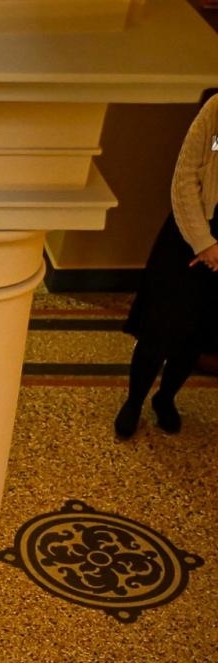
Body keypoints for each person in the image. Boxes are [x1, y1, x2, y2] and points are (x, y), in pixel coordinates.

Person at [115, 91, 218, 439]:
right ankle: (133, 402)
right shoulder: (215, 111)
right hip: (189, 232)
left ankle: (166, 399)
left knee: (196, 334)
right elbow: (186, 177)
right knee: (158, 329)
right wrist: (204, 242)